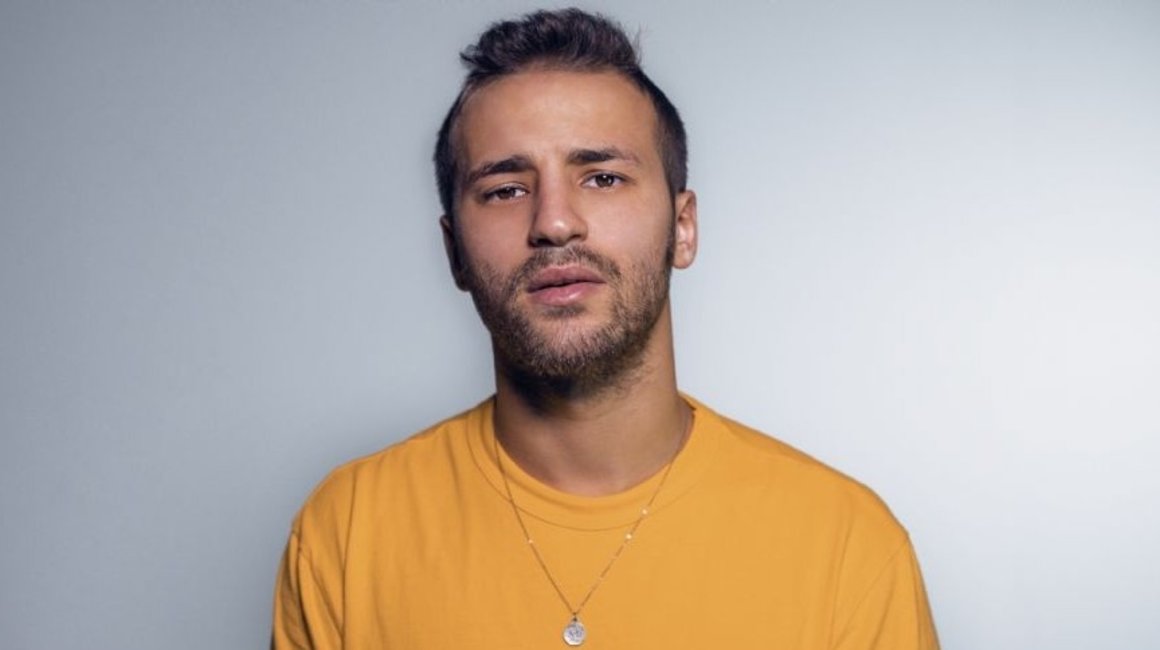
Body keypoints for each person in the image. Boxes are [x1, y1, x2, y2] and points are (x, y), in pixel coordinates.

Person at [272, 8, 939, 649]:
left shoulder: (845, 545)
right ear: (454, 254)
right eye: (506, 189)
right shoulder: (346, 533)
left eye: (603, 178)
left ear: (683, 228)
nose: (554, 222)